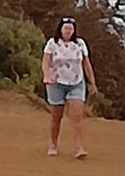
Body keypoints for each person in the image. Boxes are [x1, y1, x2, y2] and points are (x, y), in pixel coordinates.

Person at [41, 16, 97, 158]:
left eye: (70, 29)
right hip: (56, 83)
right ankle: (53, 144)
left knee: (76, 116)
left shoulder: (79, 44)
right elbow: (45, 61)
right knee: (56, 116)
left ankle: (79, 148)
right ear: (60, 29)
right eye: (65, 28)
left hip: (76, 82)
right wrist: (47, 75)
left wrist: (92, 82)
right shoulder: (52, 43)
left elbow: (86, 64)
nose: (68, 31)